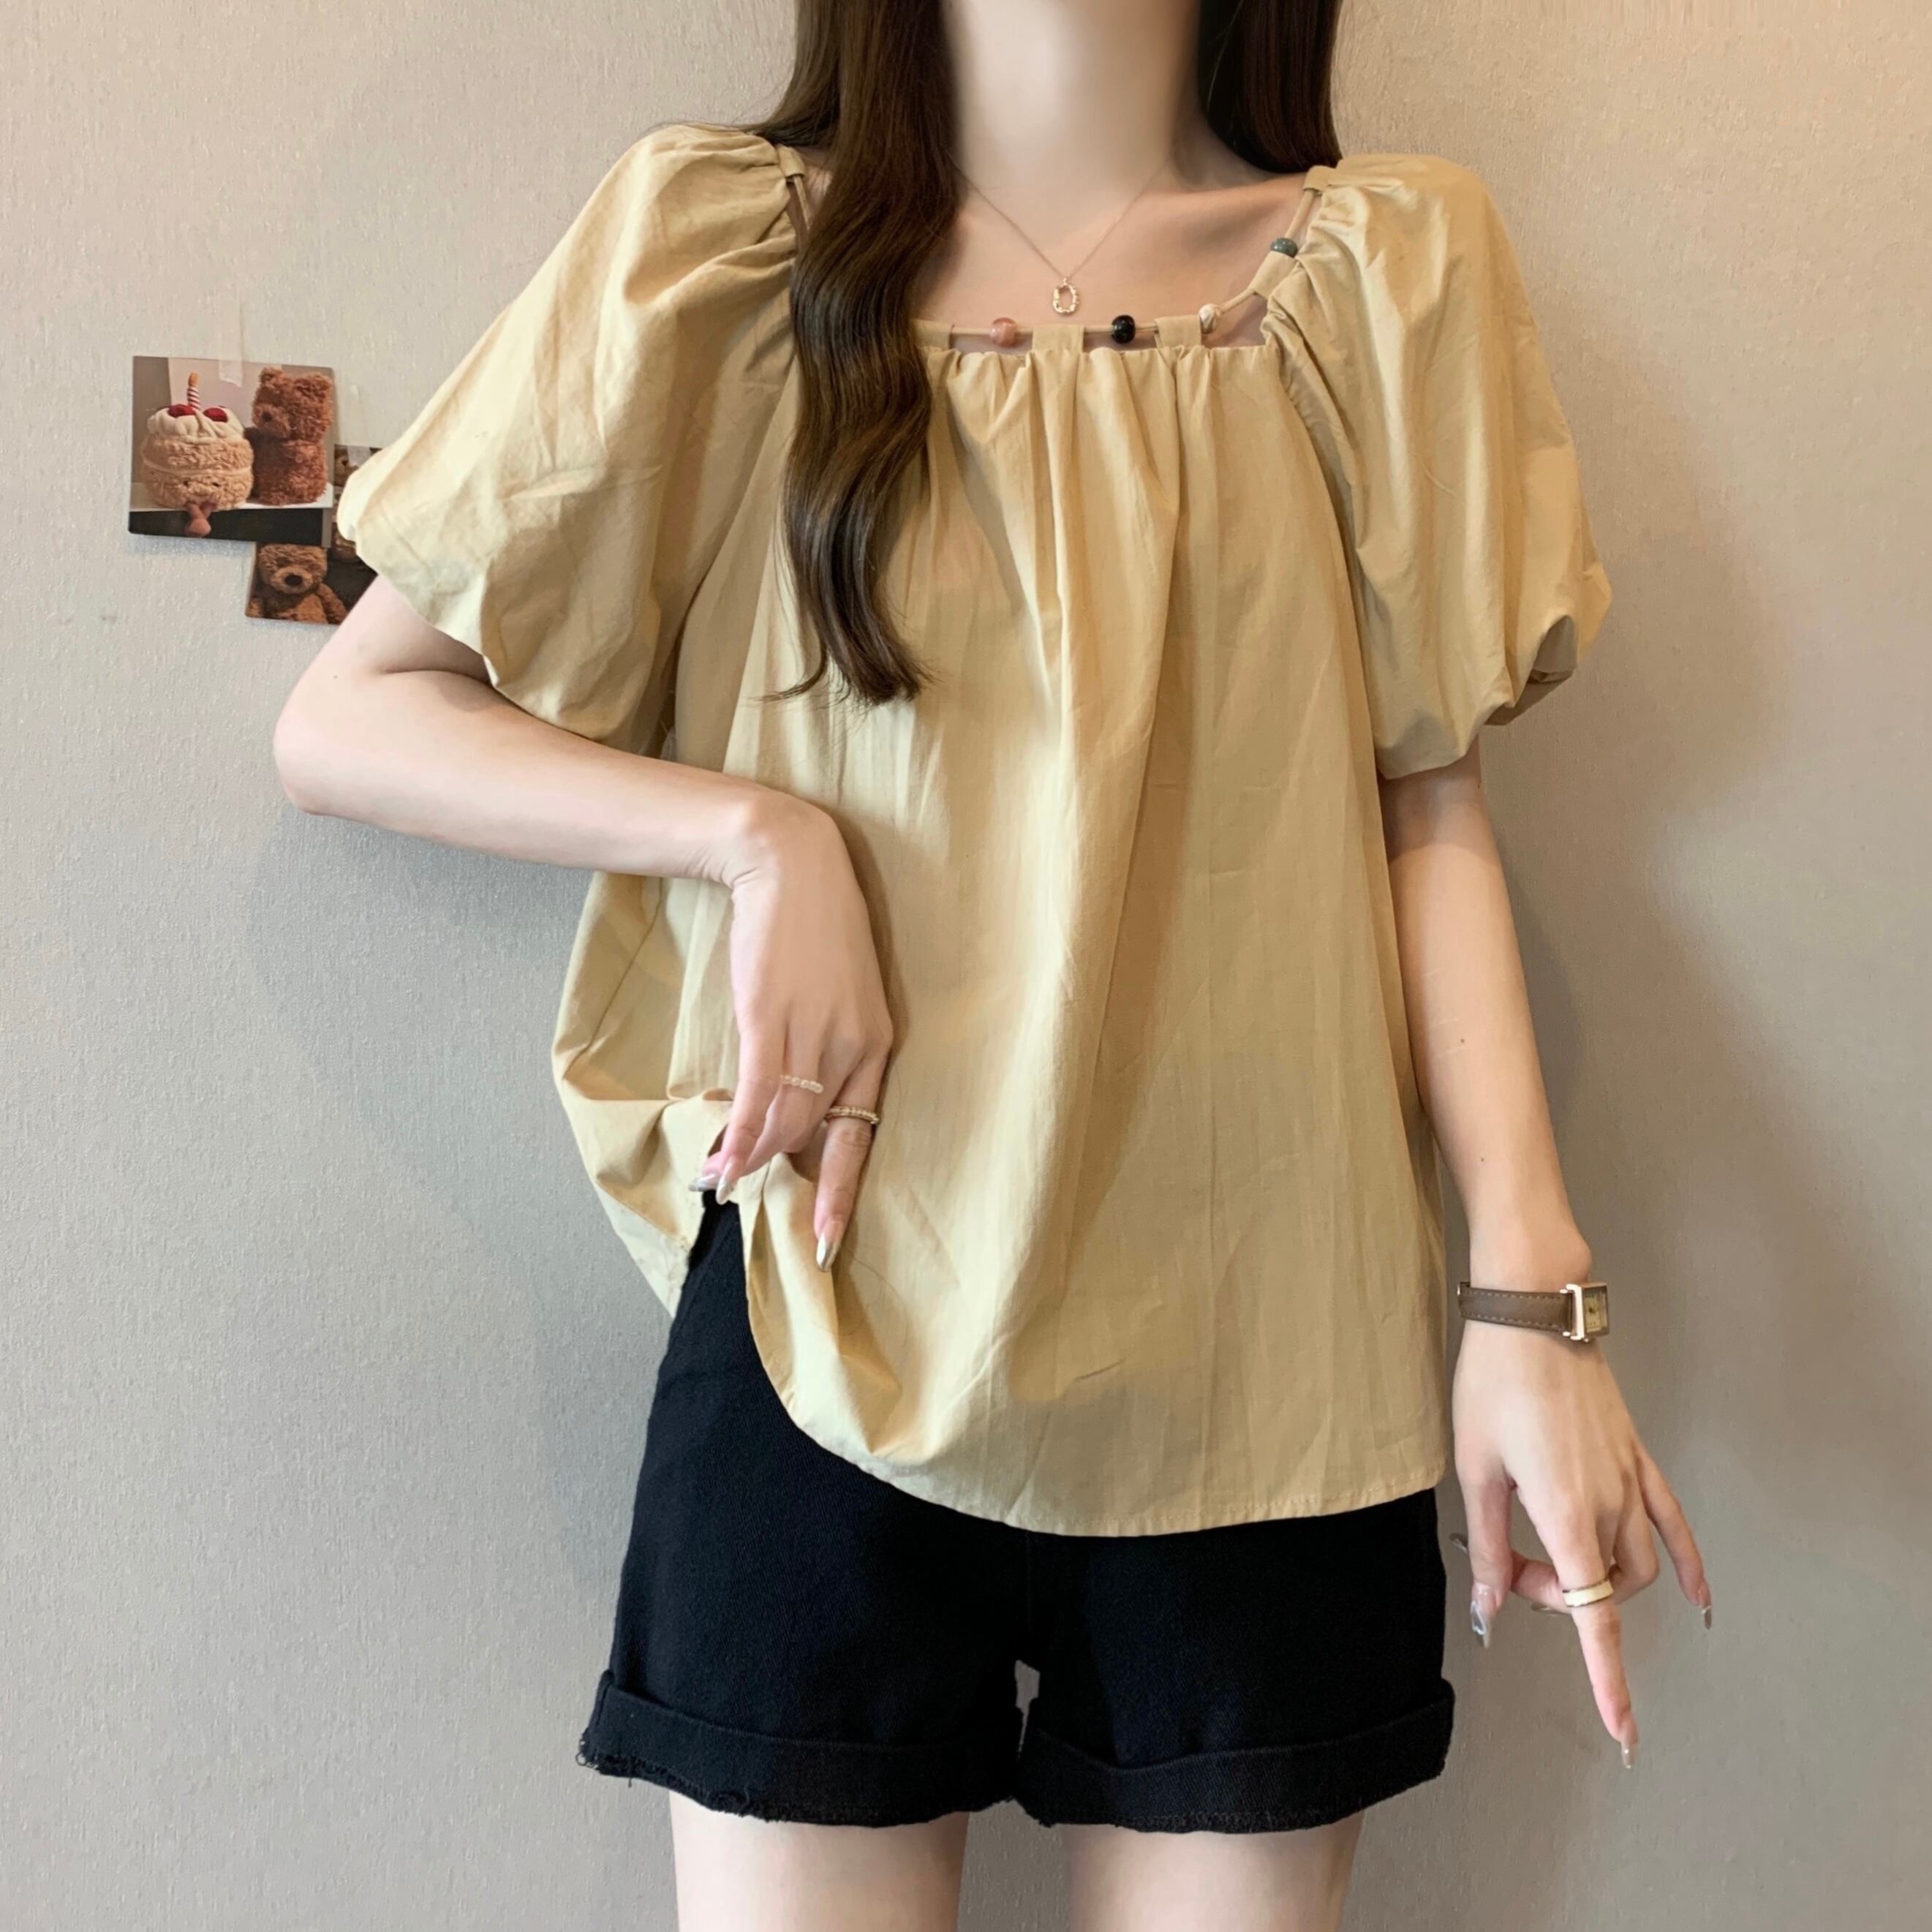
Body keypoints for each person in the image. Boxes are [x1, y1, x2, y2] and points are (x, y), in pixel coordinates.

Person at [272, 2, 1712, 1925]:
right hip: (827, 1311)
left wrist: (1533, 1302)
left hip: (1272, 1353)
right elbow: (355, 715)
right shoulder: (717, 257)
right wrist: (756, 835)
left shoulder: (1388, 271)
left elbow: (1423, 793)